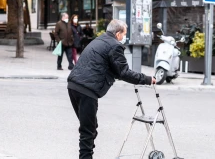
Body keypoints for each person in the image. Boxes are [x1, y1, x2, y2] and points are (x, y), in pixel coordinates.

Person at [67, 19, 156, 159]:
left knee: (90, 128)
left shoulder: (100, 40)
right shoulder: (115, 46)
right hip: (86, 89)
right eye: (124, 34)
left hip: (74, 86)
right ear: (118, 33)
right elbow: (124, 72)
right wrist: (147, 79)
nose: (124, 37)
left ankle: (87, 154)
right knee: (88, 131)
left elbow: (110, 67)